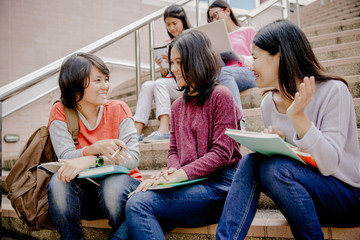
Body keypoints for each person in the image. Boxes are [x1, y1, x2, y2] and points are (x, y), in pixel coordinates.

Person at [216, 19, 360, 240]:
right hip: (304, 199)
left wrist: (299, 118)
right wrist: (279, 144)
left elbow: (330, 164)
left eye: (254, 58)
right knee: (251, 161)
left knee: (275, 168)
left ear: (280, 56)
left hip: (346, 197)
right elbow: (299, 161)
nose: (249, 66)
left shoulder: (333, 91)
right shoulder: (268, 103)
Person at [124, 30, 242, 239]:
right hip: (188, 185)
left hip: (218, 187)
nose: (173, 69)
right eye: (172, 62)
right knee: (129, 217)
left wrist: (179, 175)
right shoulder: (178, 105)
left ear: (197, 60)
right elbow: (174, 150)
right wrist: (171, 173)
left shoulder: (221, 95)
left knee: (138, 205)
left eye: (180, 62)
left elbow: (222, 153)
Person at [47, 52, 143, 240]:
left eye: (106, 80)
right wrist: (94, 148)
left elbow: (132, 159)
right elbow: (65, 156)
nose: (106, 86)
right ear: (76, 84)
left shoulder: (119, 108)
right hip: (84, 195)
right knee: (58, 182)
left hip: (122, 191)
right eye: (98, 80)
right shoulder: (60, 111)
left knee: (113, 185)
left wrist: (92, 161)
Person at [133, 4, 191, 143]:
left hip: (187, 82)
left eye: (174, 23)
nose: (171, 28)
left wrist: (176, 60)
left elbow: (193, 64)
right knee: (147, 84)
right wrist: (164, 66)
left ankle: (164, 128)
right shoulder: (167, 43)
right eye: (168, 24)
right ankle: (136, 132)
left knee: (159, 83)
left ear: (183, 21)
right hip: (172, 81)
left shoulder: (191, 37)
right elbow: (166, 76)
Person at [207, 0, 257, 127]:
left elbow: (258, 58)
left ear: (227, 11)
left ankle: (239, 122)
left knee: (223, 73)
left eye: (215, 15)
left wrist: (239, 57)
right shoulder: (216, 39)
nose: (213, 20)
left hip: (249, 72)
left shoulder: (247, 31)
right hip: (225, 76)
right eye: (210, 19)